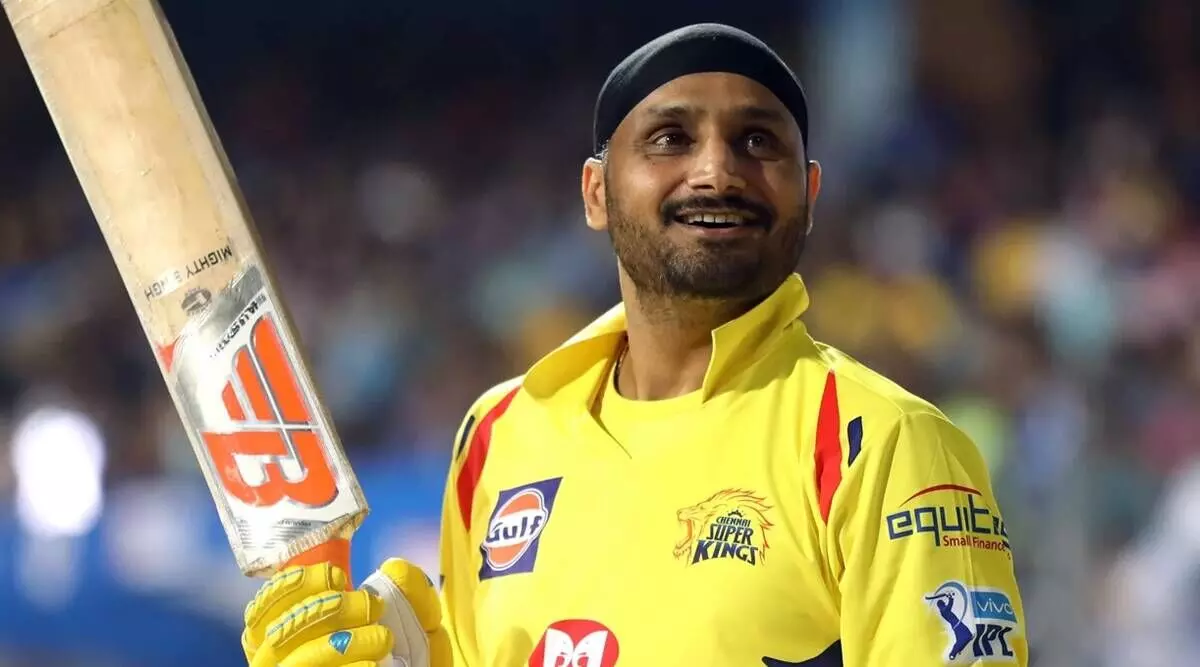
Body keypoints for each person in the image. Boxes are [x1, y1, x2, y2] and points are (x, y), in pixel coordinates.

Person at [240, 23, 1028, 667]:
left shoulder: (882, 443)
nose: (717, 170)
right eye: (670, 138)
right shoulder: (499, 433)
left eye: (758, 141)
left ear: (810, 193)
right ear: (596, 192)